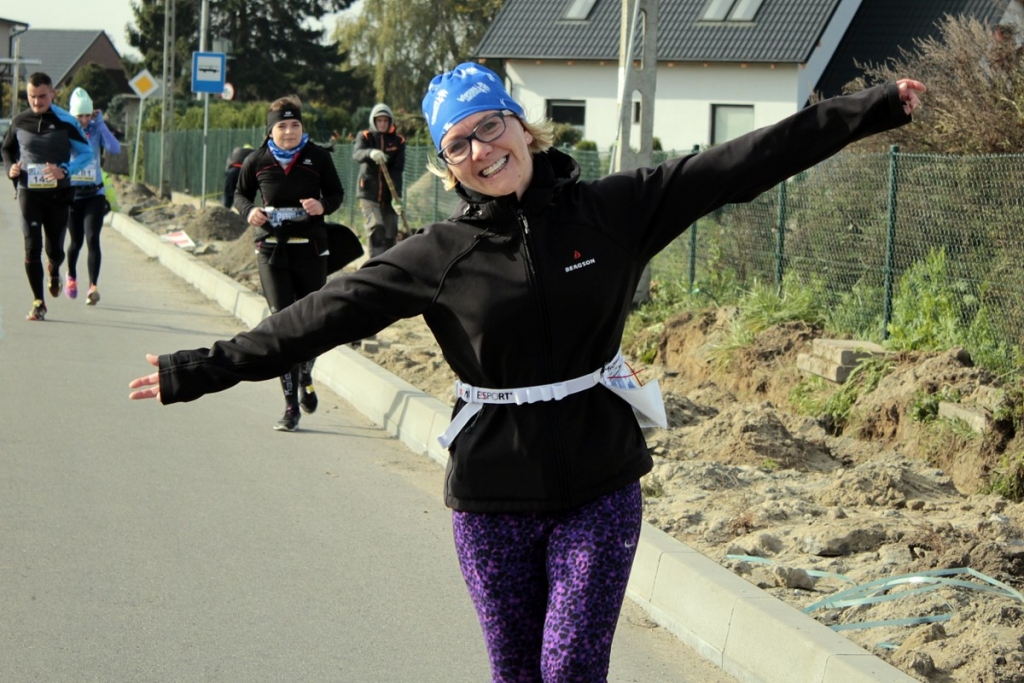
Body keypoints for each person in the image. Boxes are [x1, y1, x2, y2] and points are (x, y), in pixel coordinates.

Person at [130, 63, 925, 680]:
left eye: (491, 127)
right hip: (492, 498)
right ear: (447, 166)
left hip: (599, 485)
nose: (483, 151)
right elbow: (314, 317)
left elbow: (741, 162)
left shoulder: (613, 211)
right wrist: (194, 369)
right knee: (517, 673)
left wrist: (872, 107)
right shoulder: (435, 256)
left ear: (524, 127)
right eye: (459, 145)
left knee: (570, 668)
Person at [230, 95, 345, 431]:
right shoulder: (257, 160)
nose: (290, 131)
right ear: (271, 130)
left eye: (295, 124)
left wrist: (322, 206)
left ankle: (306, 371)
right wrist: (249, 211)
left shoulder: (317, 157)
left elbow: (336, 194)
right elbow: (239, 194)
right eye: (282, 125)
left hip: (311, 249)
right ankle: (291, 406)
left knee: (311, 324)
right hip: (271, 250)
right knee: (282, 325)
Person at [2, 72, 93, 321]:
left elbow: (87, 153)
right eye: (32, 96)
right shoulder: (20, 121)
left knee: (56, 251)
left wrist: (65, 170)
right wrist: (11, 169)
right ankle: (38, 302)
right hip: (28, 192)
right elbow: (7, 149)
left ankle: (54, 271)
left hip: (58, 195)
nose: (37, 102)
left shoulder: (66, 122)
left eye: (42, 96)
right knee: (32, 247)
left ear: (52, 93)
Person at [65, 87, 121, 306]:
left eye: (88, 115)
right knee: (76, 241)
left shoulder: (96, 128)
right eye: (80, 116)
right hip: (73, 194)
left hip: (95, 193)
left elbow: (115, 148)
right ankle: (71, 276)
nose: (85, 120)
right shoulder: (68, 130)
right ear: (73, 115)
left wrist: (101, 124)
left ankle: (93, 287)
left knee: (92, 238)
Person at [352, 103, 405, 257]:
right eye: (379, 120)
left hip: (389, 195)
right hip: (368, 193)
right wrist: (370, 153)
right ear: (374, 121)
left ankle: (390, 265)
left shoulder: (398, 141)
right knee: (377, 229)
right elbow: (357, 154)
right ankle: (375, 267)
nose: (382, 124)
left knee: (391, 232)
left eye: (385, 120)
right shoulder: (365, 136)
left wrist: (397, 198)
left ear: (390, 121)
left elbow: (397, 170)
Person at [223, 143, 254, 209]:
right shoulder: (253, 154)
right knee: (246, 197)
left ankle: (225, 210)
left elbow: (228, 164)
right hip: (244, 173)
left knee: (228, 195)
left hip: (231, 173)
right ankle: (246, 212)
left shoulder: (236, 152)